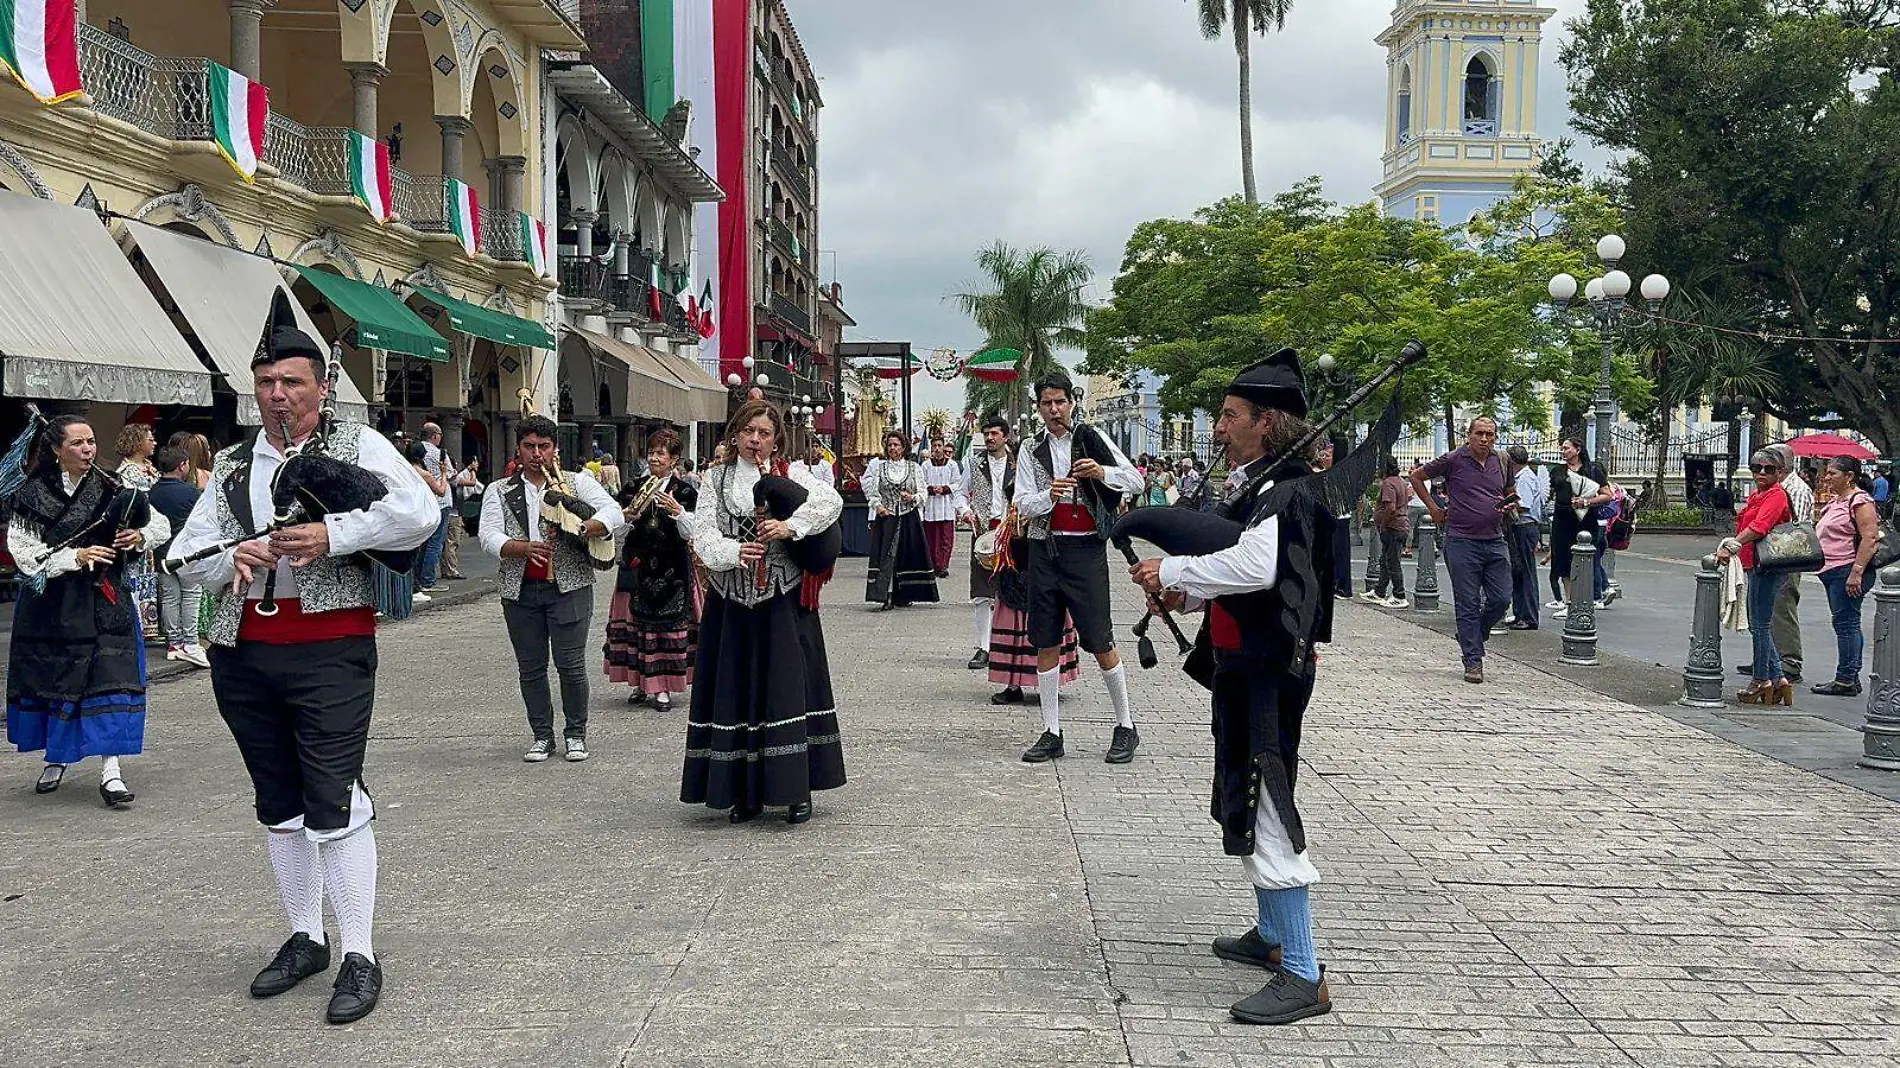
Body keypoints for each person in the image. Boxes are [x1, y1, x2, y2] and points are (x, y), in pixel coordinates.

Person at [167, 302, 438, 1024]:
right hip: (245, 653)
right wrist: (233, 555)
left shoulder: (357, 445)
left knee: (335, 797)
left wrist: (335, 533)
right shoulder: (230, 464)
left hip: (330, 649)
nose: (277, 394)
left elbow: (420, 514)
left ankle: (360, 951)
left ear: (321, 388)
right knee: (278, 803)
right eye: (264, 382)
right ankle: (304, 936)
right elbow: (181, 560)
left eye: (290, 381)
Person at [1128, 350, 1336, 1025]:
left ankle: (1305, 974)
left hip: (1270, 670)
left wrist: (1176, 567)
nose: (1220, 427)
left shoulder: (1289, 490)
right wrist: (1183, 593)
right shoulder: (1263, 488)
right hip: (1246, 662)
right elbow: (1249, 578)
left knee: (1267, 800)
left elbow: (1256, 565)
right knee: (1242, 794)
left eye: (1230, 416)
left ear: (1267, 423)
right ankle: (1273, 940)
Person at [681, 398, 845, 825]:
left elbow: (830, 504)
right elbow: (703, 537)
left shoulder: (793, 473)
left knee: (787, 689)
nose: (756, 440)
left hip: (782, 598)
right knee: (737, 689)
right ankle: (744, 792)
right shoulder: (714, 481)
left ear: (776, 440)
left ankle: (795, 790)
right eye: (750, 431)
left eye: (765, 433)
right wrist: (735, 551)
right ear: (736, 433)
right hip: (731, 602)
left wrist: (789, 527)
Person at [6, 415, 169, 806]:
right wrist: (75, 556)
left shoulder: (115, 485)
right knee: (60, 684)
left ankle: (111, 771)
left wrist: (139, 536)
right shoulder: (30, 493)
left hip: (106, 601)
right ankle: (57, 759)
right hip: (52, 609)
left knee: (110, 680)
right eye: (77, 443)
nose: (88, 450)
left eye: (91, 441)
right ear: (56, 450)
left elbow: (160, 525)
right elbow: (24, 555)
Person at [1013, 370, 1146, 764]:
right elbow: (1022, 502)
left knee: (1099, 638)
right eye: (1046, 403)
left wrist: (1102, 472)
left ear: (1071, 401)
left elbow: (1135, 481)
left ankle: (1126, 725)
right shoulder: (1029, 448)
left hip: (1086, 550)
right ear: (1038, 408)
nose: (1054, 410)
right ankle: (1052, 731)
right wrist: (1047, 496)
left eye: (1060, 401)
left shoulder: (1091, 438)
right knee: (1045, 639)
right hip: (1045, 549)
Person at [479, 415, 623, 763]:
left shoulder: (575, 483)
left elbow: (614, 512)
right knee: (530, 667)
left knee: (571, 665)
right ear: (519, 448)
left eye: (544, 446)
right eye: (530, 446)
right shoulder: (498, 490)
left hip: (570, 585)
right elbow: (487, 535)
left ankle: (576, 734)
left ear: (555, 449)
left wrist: (587, 526)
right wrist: (522, 547)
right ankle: (541, 735)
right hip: (521, 588)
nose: (537, 454)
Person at [962, 416, 1084, 703]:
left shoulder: (1024, 462)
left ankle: (1047, 683)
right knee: (1006, 606)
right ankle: (1013, 682)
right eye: (987, 433)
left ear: (1007, 437)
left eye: (995, 433)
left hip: (1036, 543)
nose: (990, 438)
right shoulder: (978, 464)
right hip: (1005, 543)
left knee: (1042, 610)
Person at [1412, 417, 1512, 684]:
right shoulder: (1453, 459)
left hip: (1494, 540)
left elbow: (1509, 490)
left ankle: (1475, 634)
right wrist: (1433, 509)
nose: (1484, 439)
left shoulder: (1501, 460)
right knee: (1467, 602)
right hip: (1461, 541)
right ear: (1468, 435)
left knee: (1501, 599)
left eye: (1490, 434)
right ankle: (1473, 659)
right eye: (1479, 433)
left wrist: (1509, 504)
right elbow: (1417, 476)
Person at [605, 429, 698, 710]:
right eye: (652, 452)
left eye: (661, 453)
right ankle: (640, 684)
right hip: (638, 566)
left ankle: (663, 688)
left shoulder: (685, 491)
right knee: (637, 627)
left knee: (667, 629)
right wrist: (627, 518)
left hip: (673, 570)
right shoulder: (634, 487)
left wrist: (679, 512)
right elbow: (615, 530)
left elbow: (694, 531)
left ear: (674, 460)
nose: (655, 458)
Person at [1716, 449, 1797, 705]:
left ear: (1781, 472)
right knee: (1757, 622)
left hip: (1768, 565)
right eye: (1756, 468)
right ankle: (1778, 677)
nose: (1761, 472)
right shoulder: (1758, 494)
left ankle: (1761, 679)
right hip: (1756, 563)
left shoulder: (1776, 495)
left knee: (1760, 624)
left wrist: (1732, 545)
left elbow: (1759, 527)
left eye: (1768, 469)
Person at [1811, 457, 1879, 697]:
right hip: (1831, 569)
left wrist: (1856, 571)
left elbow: (1870, 538)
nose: (1827, 477)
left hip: (1846, 569)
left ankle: (1846, 678)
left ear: (1849, 476)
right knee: (1845, 622)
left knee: (1846, 623)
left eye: (1832, 473)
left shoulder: (1859, 501)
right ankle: (1849, 675)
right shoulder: (1837, 501)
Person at [863, 430, 940, 609]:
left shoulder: (914, 468)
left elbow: (923, 492)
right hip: (887, 516)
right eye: (890, 445)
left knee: (908, 554)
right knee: (887, 555)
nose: (892, 448)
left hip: (908, 516)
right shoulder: (880, 468)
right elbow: (873, 493)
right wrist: (878, 506)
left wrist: (912, 497)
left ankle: (906, 593)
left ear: (903, 447)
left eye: (896, 445)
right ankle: (886, 594)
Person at [149, 446, 209, 667]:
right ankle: (191, 644)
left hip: (161, 553)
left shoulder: (151, 491)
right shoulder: (192, 493)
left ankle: (174, 644)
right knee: (191, 597)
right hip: (187, 554)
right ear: (181, 466)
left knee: (170, 599)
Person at [1548, 437, 1611, 617]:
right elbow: (1552, 493)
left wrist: (1587, 501)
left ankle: (1583, 599)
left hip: (1584, 519)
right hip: (1562, 518)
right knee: (1562, 560)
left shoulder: (1592, 470)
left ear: (1577, 449)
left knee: (1583, 558)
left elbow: (1607, 495)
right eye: (1562, 449)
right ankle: (1569, 602)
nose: (1563, 451)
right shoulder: (1558, 471)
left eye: (1567, 448)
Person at [115, 422, 161, 639]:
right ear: (137, 442)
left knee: (147, 581)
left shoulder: (149, 467)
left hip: (153, 531)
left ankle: (147, 626)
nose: (154, 442)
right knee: (136, 581)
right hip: (137, 531)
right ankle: (137, 625)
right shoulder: (128, 472)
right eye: (149, 439)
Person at [1505, 445, 1546, 630]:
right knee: (1518, 571)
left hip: (1524, 526)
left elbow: (1524, 505)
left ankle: (1529, 616)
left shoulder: (1525, 479)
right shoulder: (1522, 477)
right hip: (1521, 527)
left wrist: (1504, 506)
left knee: (1526, 572)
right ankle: (1520, 612)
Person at [1362, 455, 1410, 607]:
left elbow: (1390, 507)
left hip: (1393, 528)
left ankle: (1399, 595)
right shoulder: (1400, 481)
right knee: (1385, 560)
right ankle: (1379, 591)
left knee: (1393, 562)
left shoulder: (1388, 484)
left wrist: (1383, 524)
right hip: (1399, 526)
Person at [404, 441, 449, 605]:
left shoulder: (404, 469)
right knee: (426, 547)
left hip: (408, 511)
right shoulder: (424, 474)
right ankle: (419, 584)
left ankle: (412, 584)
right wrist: (443, 474)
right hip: (423, 511)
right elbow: (441, 491)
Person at [414, 423, 453, 592]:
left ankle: (418, 577)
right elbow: (451, 473)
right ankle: (428, 579)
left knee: (423, 541)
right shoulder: (439, 453)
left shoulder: (415, 451)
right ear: (435, 435)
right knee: (435, 542)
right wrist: (443, 473)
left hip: (422, 501)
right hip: (440, 501)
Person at [919, 438, 964, 578]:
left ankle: (943, 565)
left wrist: (945, 488)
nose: (937, 448)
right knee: (931, 538)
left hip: (946, 505)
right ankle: (932, 565)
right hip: (931, 505)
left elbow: (958, 483)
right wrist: (931, 489)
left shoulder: (951, 465)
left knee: (946, 539)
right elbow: (920, 483)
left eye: (939, 445)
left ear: (943, 447)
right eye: (934, 446)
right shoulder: (926, 465)